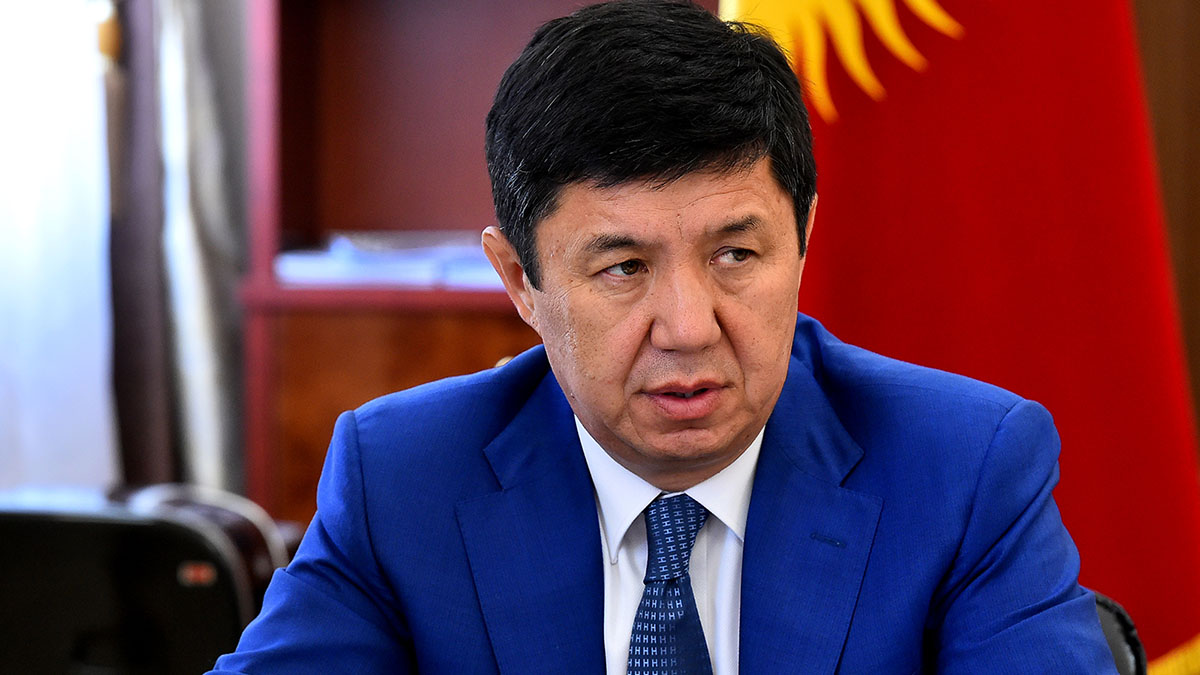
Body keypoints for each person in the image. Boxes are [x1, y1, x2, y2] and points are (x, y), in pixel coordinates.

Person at [212, 1, 1117, 672]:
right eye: (623, 267)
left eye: (735, 254)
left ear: (803, 237)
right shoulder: (404, 479)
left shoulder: (962, 470)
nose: (688, 328)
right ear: (520, 280)